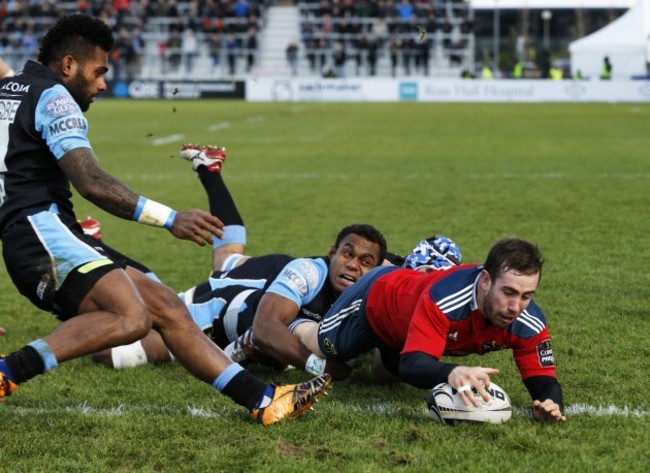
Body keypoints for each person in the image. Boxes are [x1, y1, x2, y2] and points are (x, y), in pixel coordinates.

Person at [0, 14, 331, 426]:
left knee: (168, 306)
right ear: (68, 65)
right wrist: (171, 218)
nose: (102, 83)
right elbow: (92, 181)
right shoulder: (54, 97)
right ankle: (9, 371)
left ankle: (263, 399)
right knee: (132, 317)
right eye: (98, 71)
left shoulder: (10, 90)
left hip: (36, 235)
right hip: (43, 234)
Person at [91, 144, 461, 380]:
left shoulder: (380, 280)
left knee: (228, 259)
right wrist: (321, 367)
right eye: (348, 255)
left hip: (260, 291)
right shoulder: (316, 272)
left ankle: (209, 169)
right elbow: (272, 331)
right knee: (119, 346)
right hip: (229, 305)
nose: (355, 266)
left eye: (365, 262)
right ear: (332, 253)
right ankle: (92, 247)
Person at [295, 238, 566, 423]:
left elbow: (542, 377)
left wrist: (550, 404)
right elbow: (412, 366)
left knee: (382, 376)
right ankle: (296, 324)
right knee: (327, 348)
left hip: (404, 327)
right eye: (508, 292)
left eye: (527, 295)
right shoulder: (445, 299)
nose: (515, 306)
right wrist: (452, 372)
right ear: (485, 280)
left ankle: (374, 353)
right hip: (375, 300)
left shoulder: (529, 320)